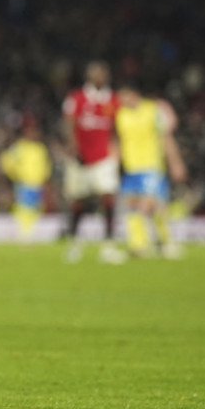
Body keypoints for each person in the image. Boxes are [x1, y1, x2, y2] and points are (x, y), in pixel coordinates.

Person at [61, 61, 125, 264]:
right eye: (96, 74)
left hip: (104, 157)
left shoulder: (113, 100)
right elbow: (68, 123)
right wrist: (74, 148)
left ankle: (108, 246)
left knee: (108, 197)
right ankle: (74, 243)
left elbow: (118, 127)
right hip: (80, 157)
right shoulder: (77, 98)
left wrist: (117, 151)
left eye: (103, 74)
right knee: (77, 201)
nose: (100, 77)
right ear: (89, 76)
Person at [115, 84, 187, 258]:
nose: (121, 100)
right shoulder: (120, 114)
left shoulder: (153, 110)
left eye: (124, 95)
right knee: (132, 207)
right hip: (130, 168)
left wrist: (175, 162)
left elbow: (166, 137)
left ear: (134, 93)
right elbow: (117, 141)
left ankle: (165, 242)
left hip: (151, 166)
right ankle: (138, 246)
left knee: (154, 206)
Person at [0, 117, 53, 243]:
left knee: (35, 209)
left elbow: (46, 166)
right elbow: (6, 161)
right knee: (24, 208)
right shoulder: (19, 147)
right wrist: (15, 175)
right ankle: (24, 234)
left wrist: (45, 180)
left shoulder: (40, 148)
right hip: (24, 183)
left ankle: (29, 233)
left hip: (38, 184)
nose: (33, 133)